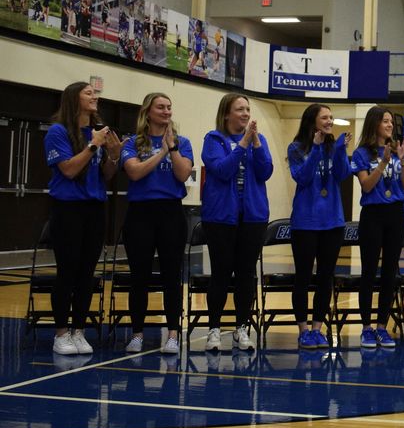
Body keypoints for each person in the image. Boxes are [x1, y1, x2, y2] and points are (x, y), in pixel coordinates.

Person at [44, 82, 124, 355]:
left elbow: (106, 175)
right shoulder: (58, 132)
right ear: (73, 99)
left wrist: (113, 157)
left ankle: (79, 331)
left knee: (87, 273)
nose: (94, 96)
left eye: (95, 92)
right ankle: (61, 333)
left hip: (94, 207)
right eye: (88, 93)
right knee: (67, 271)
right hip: (68, 208)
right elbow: (68, 170)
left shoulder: (98, 132)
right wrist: (93, 145)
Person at [120, 93, 193, 354]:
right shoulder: (132, 142)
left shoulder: (182, 143)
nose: (166, 111)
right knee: (138, 276)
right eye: (160, 107)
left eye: (169, 107)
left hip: (171, 212)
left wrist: (171, 148)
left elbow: (182, 174)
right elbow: (134, 172)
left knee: (171, 275)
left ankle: (173, 334)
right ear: (148, 112)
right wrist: (161, 152)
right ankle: (137, 334)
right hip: (140, 214)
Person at [200, 93, 273, 352]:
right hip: (221, 217)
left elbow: (265, 171)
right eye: (240, 109)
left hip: (252, 217)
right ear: (226, 114)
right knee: (221, 272)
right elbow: (222, 170)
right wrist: (243, 143)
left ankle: (242, 327)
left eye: (247, 109)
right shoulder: (213, 140)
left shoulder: (259, 141)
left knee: (246, 273)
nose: (245, 114)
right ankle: (214, 329)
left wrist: (256, 144)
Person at [286, 103, 351, 350]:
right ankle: (303, 330)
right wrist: (314, 148)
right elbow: (302, 178)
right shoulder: (296, 148)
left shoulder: (333, 147)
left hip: (332, 222)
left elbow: (343, 175)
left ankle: (317, 329)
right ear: (312, 121)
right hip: (305, 223)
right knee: (303, 277)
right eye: (325, 117)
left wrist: (342, 151)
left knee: (326, 278)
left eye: (331, 117)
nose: (330, 121)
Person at [350, 106, 404, 349]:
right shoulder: (361, 153)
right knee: (369, 272)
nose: (390, 125)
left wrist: (402, 160)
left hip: (395, 214)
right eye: (385, 121)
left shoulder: (396, 150)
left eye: (391, 122)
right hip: (373, 214)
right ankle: (366, 328)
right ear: (374, 123)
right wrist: (383, 162)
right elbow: (366, 185)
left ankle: (382, 326)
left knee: (389, 273)